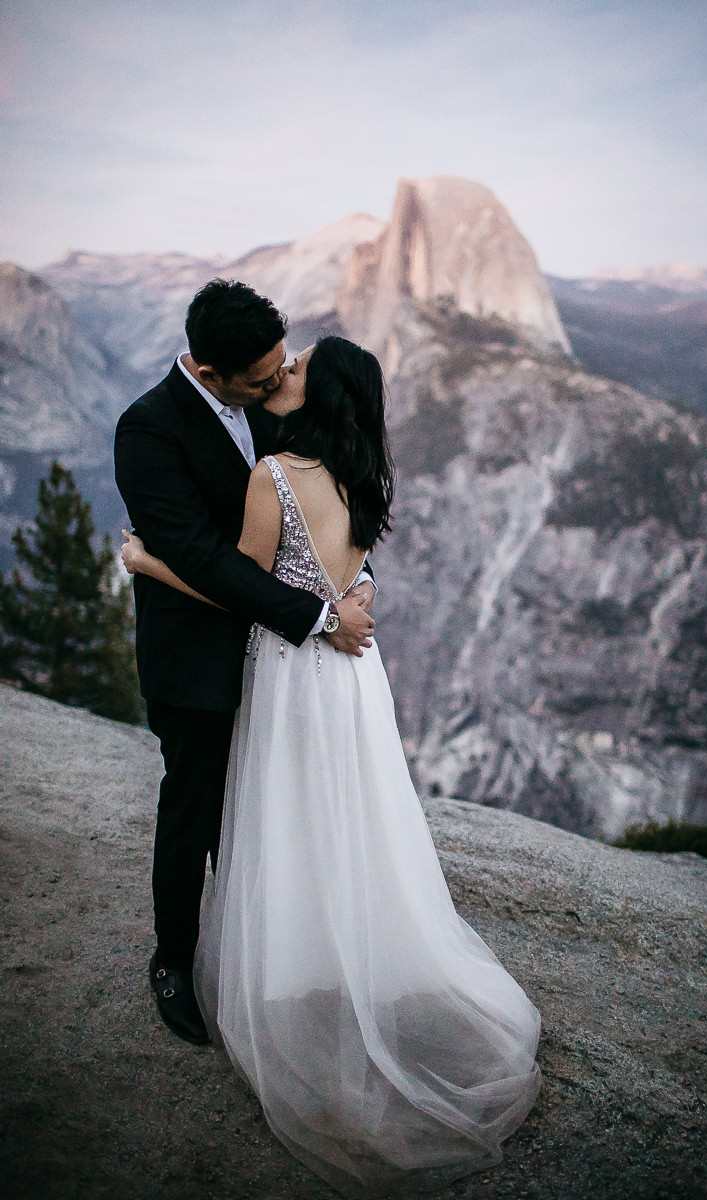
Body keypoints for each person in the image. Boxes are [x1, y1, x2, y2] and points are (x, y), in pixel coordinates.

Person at [120, 335, 542, 1197]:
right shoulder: (359, 474)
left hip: (289, 672)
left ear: (317, 397)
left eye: (300, 368)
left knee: (281, 817)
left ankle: (289, 972)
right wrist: (351, 601)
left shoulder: (273, 477)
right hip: (352, 679)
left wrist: (144, 560)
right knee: (343, 816)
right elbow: (344, 566)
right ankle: (344, 953)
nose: (285, 373)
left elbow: (235, 587)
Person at [114, 282, 376, 1046]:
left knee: (267, 814)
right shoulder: (148, 430)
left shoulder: (274, 401)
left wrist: (353, 583)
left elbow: (330, 500)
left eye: (279, 371)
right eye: (259, 381)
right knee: (193, 808)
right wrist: (319, 618)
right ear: (204, 370)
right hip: (196, 656)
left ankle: (263, 953)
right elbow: (199, 557)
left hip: (280, 659)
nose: (274, 387)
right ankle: (173, 961)